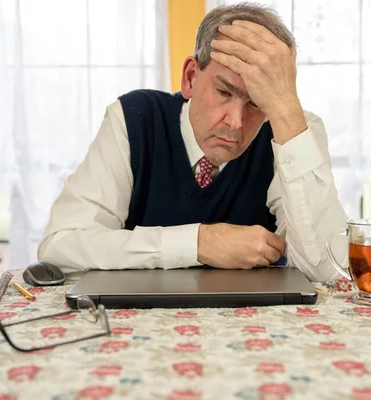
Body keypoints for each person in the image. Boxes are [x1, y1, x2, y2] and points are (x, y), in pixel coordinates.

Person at [37, 2, 348, 281]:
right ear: (190, 77)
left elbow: (330, 269)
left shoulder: (291, 128)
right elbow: (60, 247)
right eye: (224, 92)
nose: (235, 122)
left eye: (256, 103)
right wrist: (198, 243)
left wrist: (284, 109)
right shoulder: (135, 119)